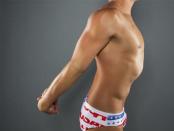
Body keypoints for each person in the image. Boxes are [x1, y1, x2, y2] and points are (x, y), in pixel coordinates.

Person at [37, 0, 144, 131]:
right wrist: (46, 100)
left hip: (114, 115)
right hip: (102, 117)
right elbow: (76, 65)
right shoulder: (108, 17)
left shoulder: (124, 18)